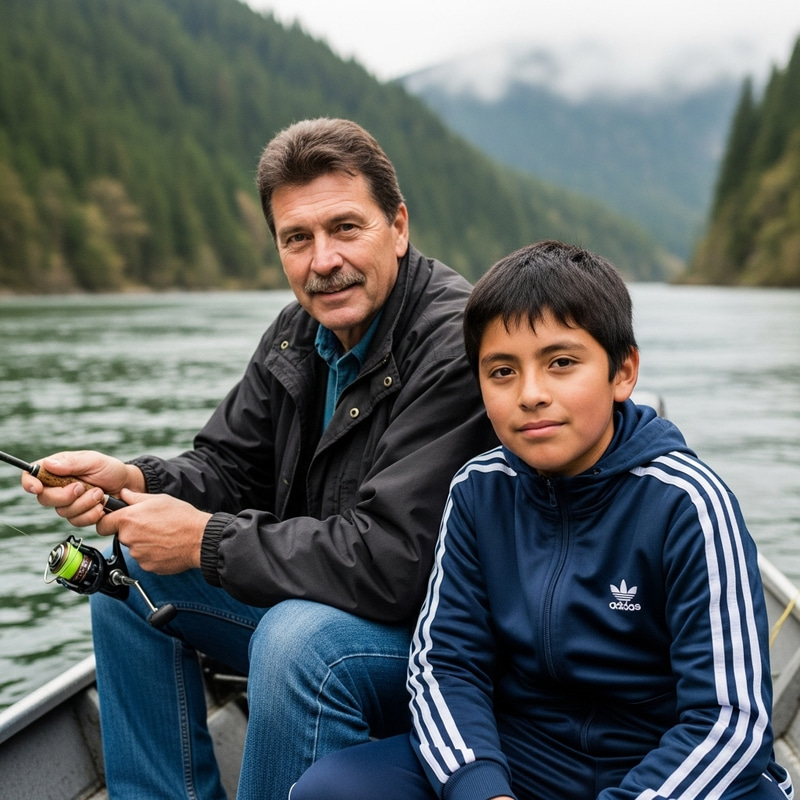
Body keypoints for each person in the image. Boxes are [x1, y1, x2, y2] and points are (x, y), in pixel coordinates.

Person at [22, 118, 497, 800]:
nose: (322, 260)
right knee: (130, 578)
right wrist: (134, 480)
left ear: (397, 225)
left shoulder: (454, 343)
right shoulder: (297, 332)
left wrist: (204, 541)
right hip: (331, 601)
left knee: (296, 641)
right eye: (296, 239)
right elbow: (227, 469)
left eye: (345, 228)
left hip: (435, 649)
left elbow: (395, 563)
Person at [291, 240, 793, 800]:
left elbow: (730, 722)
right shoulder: (479, 490)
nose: (531, 395)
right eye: (502, 371)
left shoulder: (687, 504)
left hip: (667, 765)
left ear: (622, 371)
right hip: (528, 756)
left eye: (561, 363)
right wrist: (485, 790)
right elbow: (446, 666)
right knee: (332, 789)